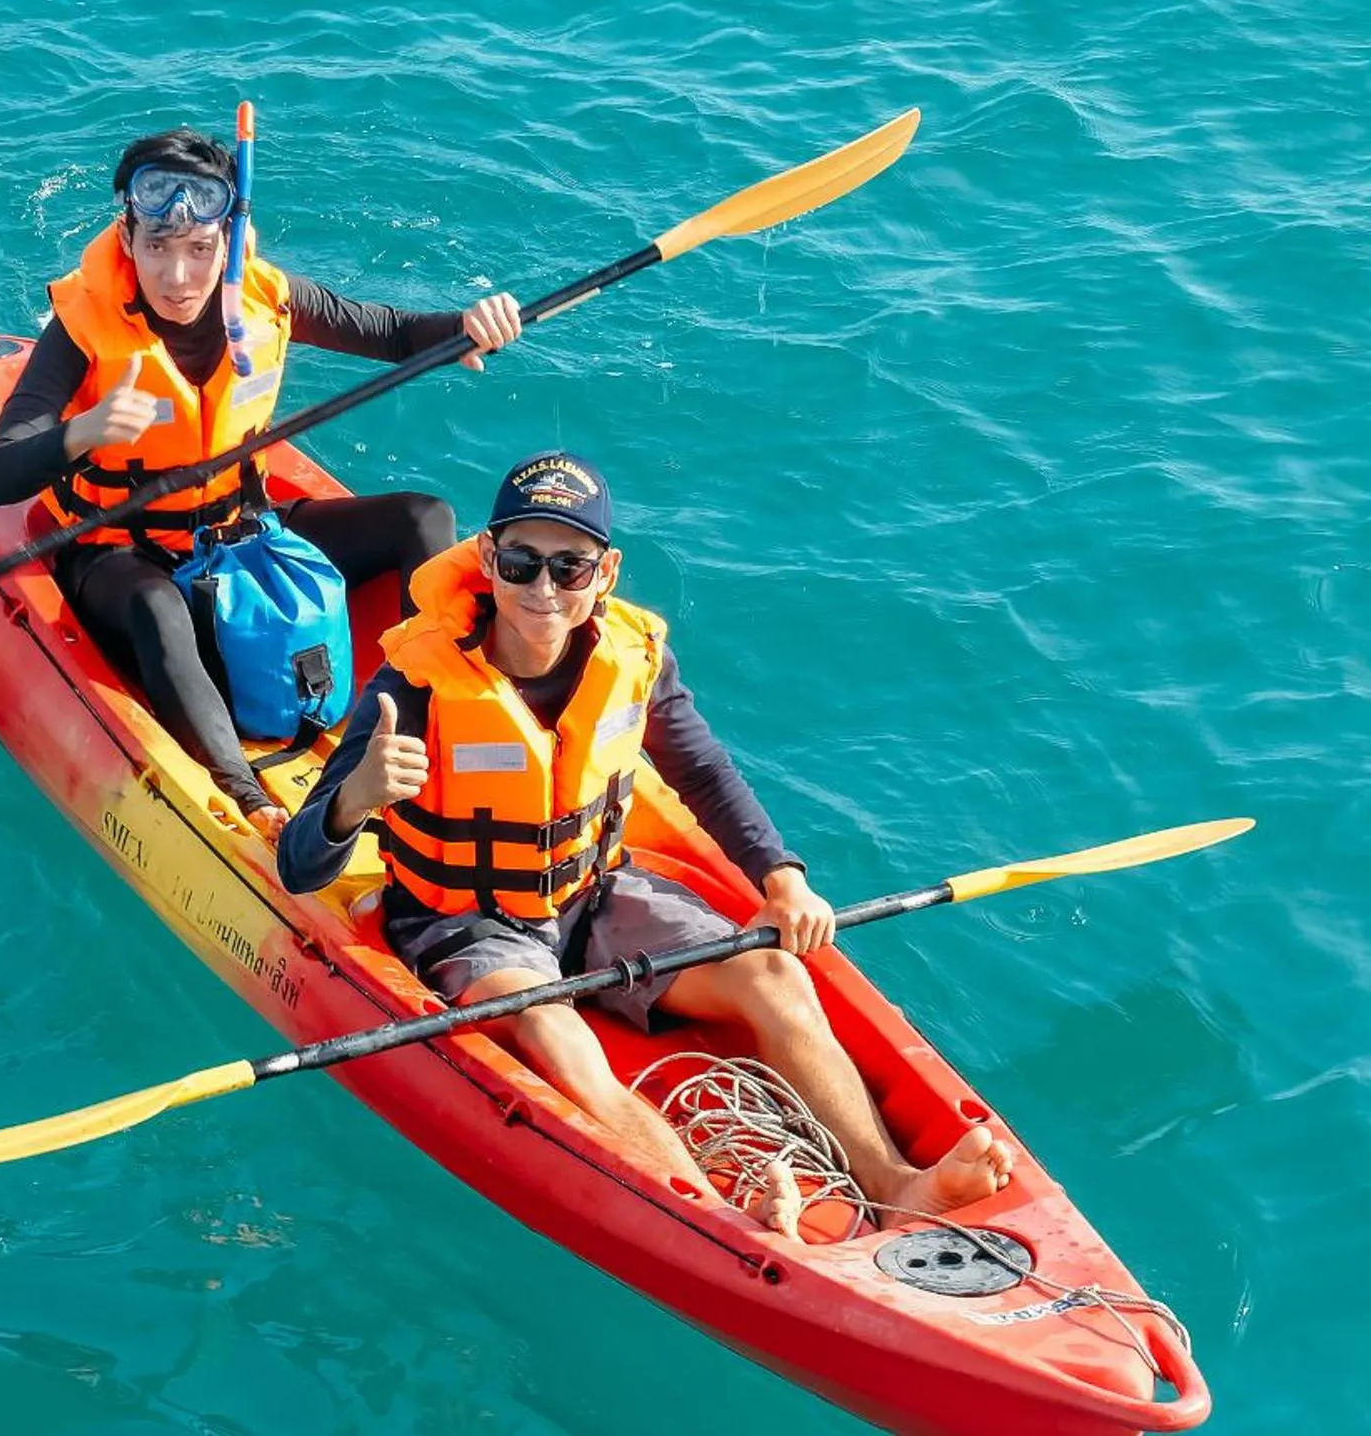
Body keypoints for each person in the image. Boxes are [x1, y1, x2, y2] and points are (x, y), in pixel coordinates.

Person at [276, 452, 1016, 1228]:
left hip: (592, 896)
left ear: (606, 572)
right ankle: (720, 1216)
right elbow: (299, 865)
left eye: (570, 566)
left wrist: (782, 875)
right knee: (548, 1022)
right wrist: (356, 796)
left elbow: (703, 771)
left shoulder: (634, 658)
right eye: (522, 561)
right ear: (489, 559)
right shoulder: (413, 684)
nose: (543, 589)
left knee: (770, 970)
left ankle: (899, 1185)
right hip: (468, 923)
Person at [0, 127, 525, 839]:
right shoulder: (84, 324)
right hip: (116, 550)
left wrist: (466, 328)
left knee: (423, 517)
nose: (177, 276)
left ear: (231, 241)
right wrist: (88, 430)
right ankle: (249, 796)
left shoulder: (266, 297)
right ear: (126, 236)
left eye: (200, 249)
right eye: (156, 249)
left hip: (243, 527)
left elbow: (388, 331)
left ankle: (424, 715)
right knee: (157, 609)